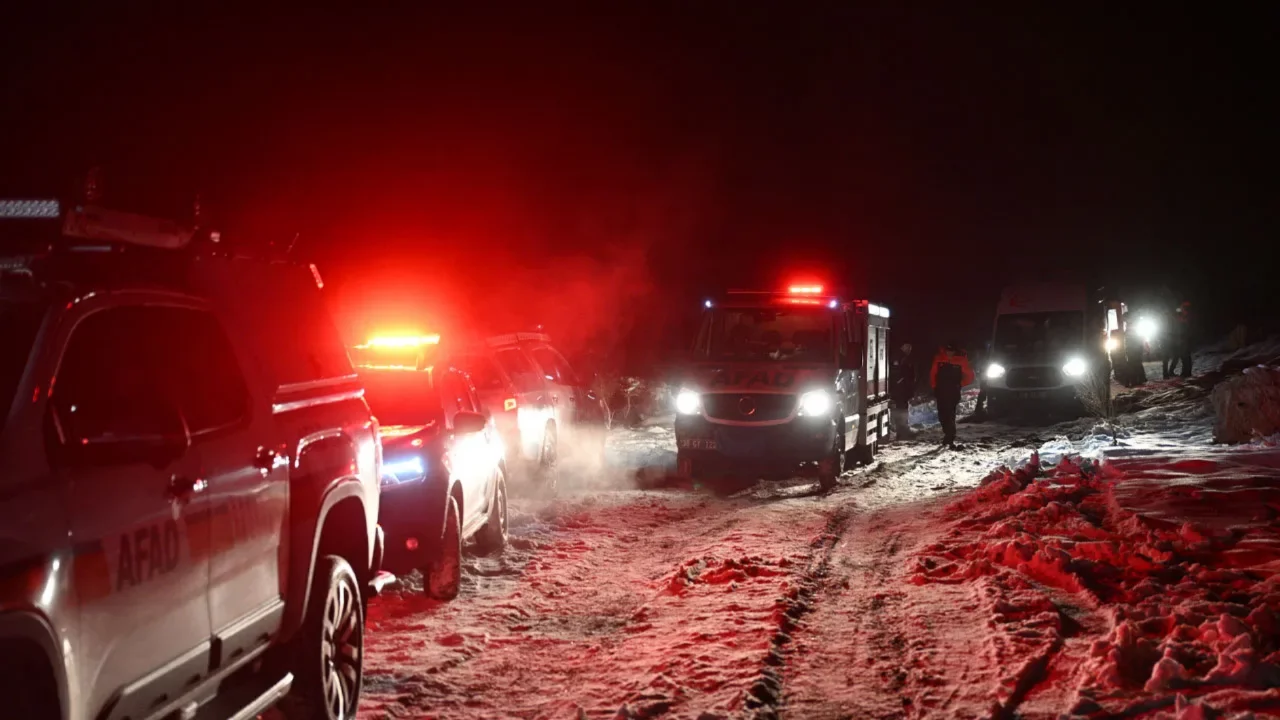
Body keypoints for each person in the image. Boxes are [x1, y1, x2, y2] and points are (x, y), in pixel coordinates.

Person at [930, 340, 974, 449]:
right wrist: (934, 386)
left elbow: (969, 376)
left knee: (950, 413)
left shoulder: (961, 361)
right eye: (948, 351)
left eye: (952, 351)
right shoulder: (939, 359)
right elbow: (932, 374)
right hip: (941, 390)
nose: (950, 353)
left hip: (953, 391)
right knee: (942, 414)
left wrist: (960, 384)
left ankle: (950, 436)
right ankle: (947, 433)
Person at [890, 343, 917, 438]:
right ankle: (902, 431)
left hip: (902, 389)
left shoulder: (903, 357)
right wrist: (901, 382)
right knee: (901, 408)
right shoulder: (900, 358)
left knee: (902, 408)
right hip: (901, 390)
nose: (910, 349)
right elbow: (901, 374)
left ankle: (902, 430)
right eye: (908, 347)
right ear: (903, 347)